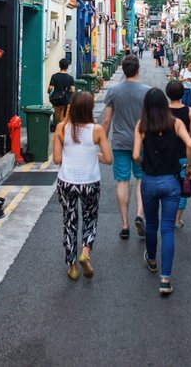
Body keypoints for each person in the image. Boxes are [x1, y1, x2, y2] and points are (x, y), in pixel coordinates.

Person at [133, 88, 191, 296]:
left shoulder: (142, 125)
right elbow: (190, 143)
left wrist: (145, 163)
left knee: (152, 224)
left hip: (149, 181)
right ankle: (165, 280)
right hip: (171, 182)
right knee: (167, 229)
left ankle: (151, 259)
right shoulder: (176, 123)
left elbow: (135, 155)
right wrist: (187, 167)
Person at [52, 92, 113, 281]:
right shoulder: (97, 130)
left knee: (69, 222)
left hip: (67, 181)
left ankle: (72, 267)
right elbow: (109, 159)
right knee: (90, 219)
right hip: (90, 182)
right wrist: (94, 155)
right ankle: (85, 253)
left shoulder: (62, 128)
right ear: (90, 108)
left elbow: (57, 159)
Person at [101, 55, 150, 239]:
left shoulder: (113, 91)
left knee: (122, 181)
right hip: (142, 142)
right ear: (137, 70)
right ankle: (139, 214)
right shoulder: (147, 92)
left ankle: (124, 225)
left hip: (120, 142)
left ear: (123, 69)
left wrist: (103, 141)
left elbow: (106, 120)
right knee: (141, 178)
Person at [165, 81, 191, 229]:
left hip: (167, 155)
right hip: (185, 155)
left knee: (167, 184)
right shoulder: (189, 111)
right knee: (184, 186)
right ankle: (177, 219)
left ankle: (167, 215)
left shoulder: (164, 111)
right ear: (182, 94)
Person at [47, 58, 76, 126]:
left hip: (57, 100)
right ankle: (64, 130)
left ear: (59, 66)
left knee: (58, 117)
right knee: (65, 117)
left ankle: (60, 128)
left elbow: (50, 88)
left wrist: (48, 91)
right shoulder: (70, 78)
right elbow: (73, 90)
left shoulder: (54, 76)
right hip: (67, 100)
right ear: (67, 66)